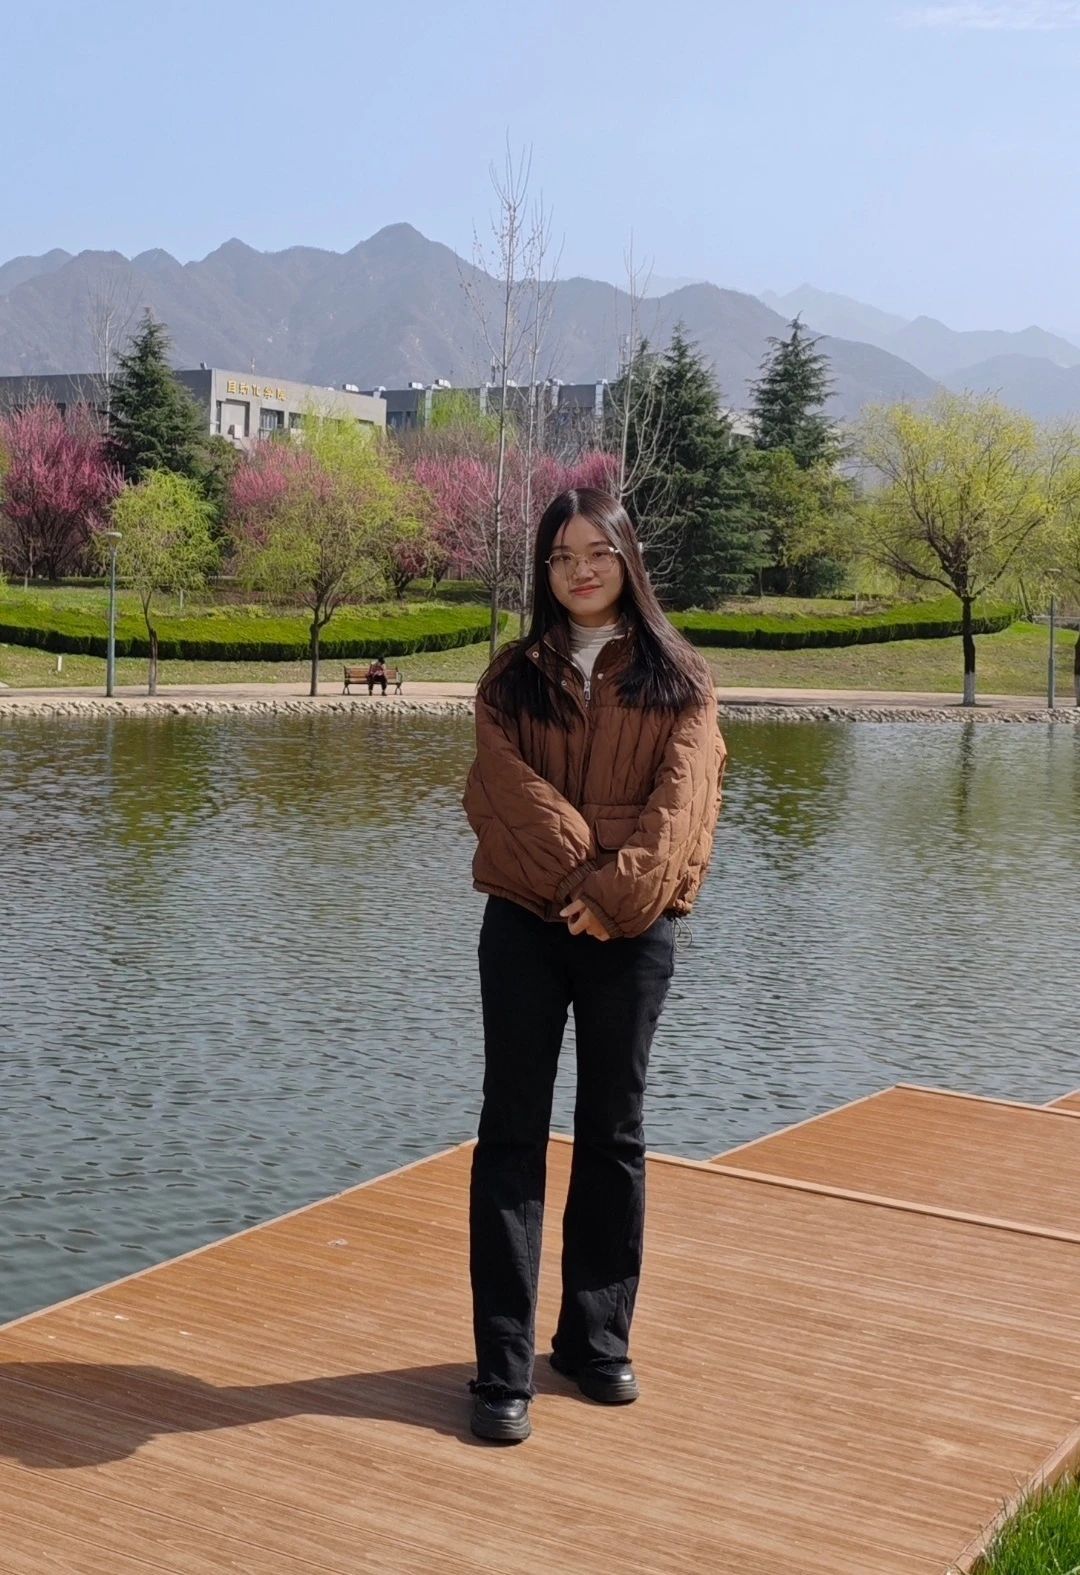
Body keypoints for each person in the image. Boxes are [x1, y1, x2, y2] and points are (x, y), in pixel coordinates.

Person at [461, 486, 727, 1444]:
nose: (581, 569)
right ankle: (503, 1368)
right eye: (563, 555)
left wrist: (615, 896)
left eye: (597, 552)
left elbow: (686, 800)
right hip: (524, 924)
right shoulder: (510, 679)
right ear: (545, 569)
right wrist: (584, 876)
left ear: (627, 560)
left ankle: (595, 1340)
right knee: (511, 1135)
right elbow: (501, 791)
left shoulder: (680, 677)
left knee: (614, 1132)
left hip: (633, 930)